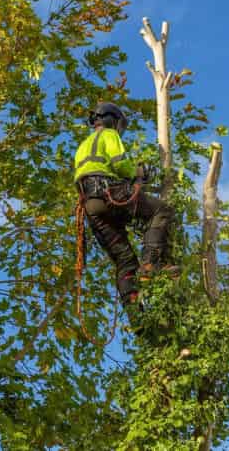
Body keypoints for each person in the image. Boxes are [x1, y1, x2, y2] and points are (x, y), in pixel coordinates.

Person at [73, 102, 177, 311]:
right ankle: (151, 264)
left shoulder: (84, 144)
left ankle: (136, 316)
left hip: (91, 205)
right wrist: (137, 173)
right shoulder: (109, 136)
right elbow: (120, 163)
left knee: (125, 260)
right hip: (109, 192)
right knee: (161, 210)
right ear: (112, 120)